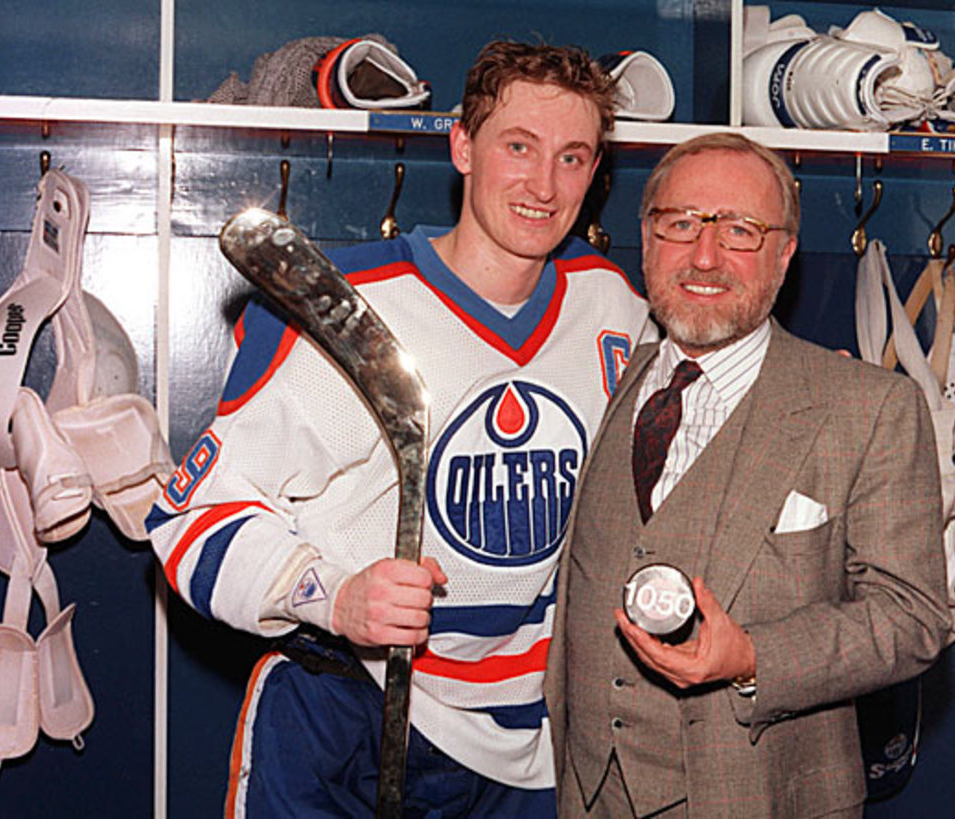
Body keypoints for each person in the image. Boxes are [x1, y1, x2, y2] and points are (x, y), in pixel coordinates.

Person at [146, 40, 654, 816]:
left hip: (528, 738)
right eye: (518, 146)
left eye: (573, 157)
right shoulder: (336, 309)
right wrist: (335, 596)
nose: (543, 184)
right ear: (462, 147)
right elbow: (189, 524)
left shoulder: (610, 306)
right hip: (344, 712)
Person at [544, 132, 952, 818]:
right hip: (586, 792)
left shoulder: (870, 405)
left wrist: (754, 657)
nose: (705, 257)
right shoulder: (607, 377)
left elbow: (912, 619)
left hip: (761, 797)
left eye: (741, 230)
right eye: (680, 225)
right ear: (645, 238)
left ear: (785, 252)